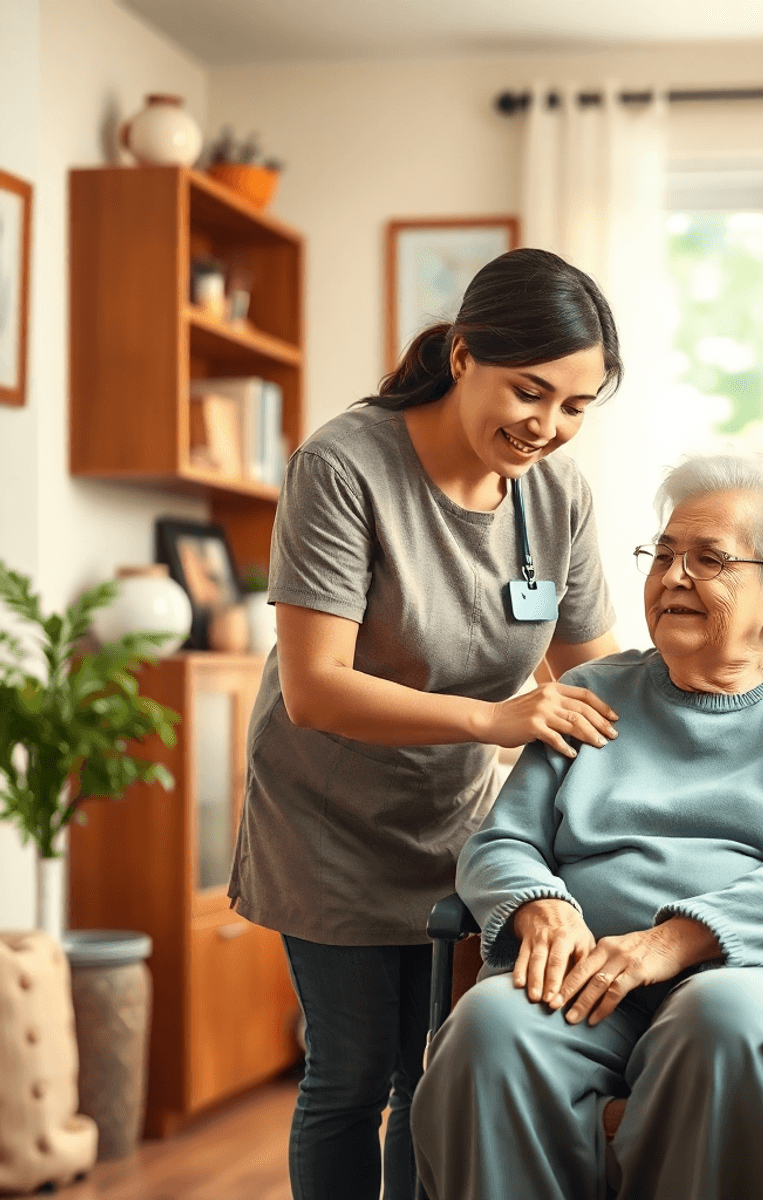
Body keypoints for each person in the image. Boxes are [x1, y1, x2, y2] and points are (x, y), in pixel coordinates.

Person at [227, 248, 625, 1200]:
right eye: (530, 392)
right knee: (350, 1074)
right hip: (328, 818)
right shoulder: (345, 465)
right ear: (462, 355)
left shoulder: (557, 495)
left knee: (432, 1072)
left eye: (575, 406)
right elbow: (316, 688)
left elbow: (598, 677)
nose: (547, 428)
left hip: (458, 822)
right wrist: (497, 718)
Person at [411, 452, 763, 1200]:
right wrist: (537, 906)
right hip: (596, 975)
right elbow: (502, 842)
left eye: (709, 559)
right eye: (663, 555)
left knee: (713, 1016)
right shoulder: (591, 691)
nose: (674, 577)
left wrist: (670, 943)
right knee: (488, 1028)